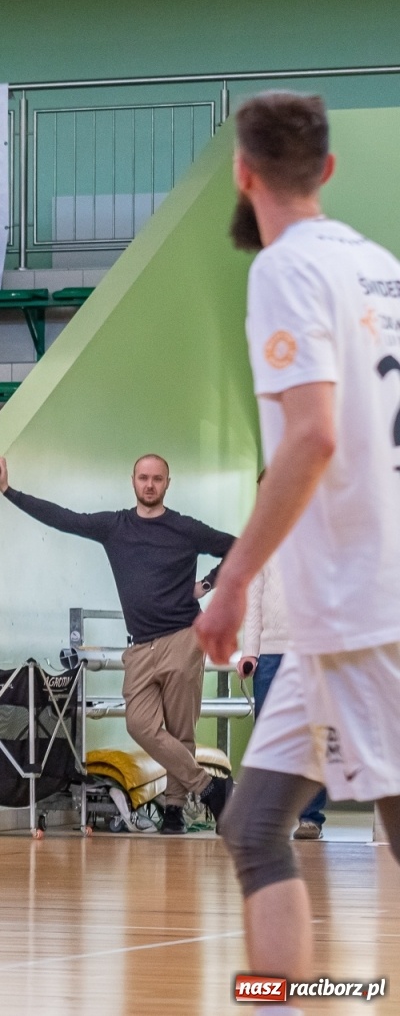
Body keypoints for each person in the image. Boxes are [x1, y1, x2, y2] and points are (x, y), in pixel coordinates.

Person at [194, 92, 400, 984]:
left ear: (243, 174)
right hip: (332, 618)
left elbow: (313, 436)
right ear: (327, 169)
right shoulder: (382, 267)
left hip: (364, 605)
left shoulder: (284, 270)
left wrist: (234, 581)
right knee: (252, 828)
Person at [0, 453, 234, 834]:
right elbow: (64, 518)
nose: (150, 484)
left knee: (180, 731)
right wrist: (9, 492)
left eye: (157, 478)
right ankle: (210, 789)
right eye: (143, 477)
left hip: (183, 638)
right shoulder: (115, 526)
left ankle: (173, 810)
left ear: (167, 483)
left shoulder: (185, 529)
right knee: (141, 725)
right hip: (140, 646)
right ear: (133, 481)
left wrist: (206, 583)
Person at [240, 538, 327, 840]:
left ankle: (310, 817)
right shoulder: (265, 539)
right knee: (268, 737)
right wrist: (250, 651)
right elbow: (253, 600)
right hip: (270, 652)